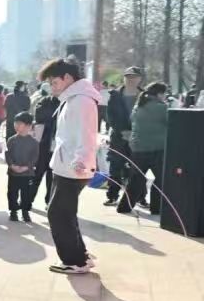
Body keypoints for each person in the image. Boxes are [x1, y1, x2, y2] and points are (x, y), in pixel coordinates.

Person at [39, 57, 99, 275]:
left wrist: (81, 160)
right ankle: (80, 256)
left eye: (54, 82)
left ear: (67, 78)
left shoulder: (81, 100)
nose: (53, 88)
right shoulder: (74, 98)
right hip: (67, 164)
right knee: (65, 212)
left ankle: (75, 261)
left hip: (74, 167)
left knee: (57, 214)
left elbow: (87, 134)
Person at [118, 81, 168, 215]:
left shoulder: (138, 106)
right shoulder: (162, 108)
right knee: (160, 180)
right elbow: (172, 123)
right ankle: (156, 208)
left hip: (138, 149)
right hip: (157, 148)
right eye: (164, 94)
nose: (165, 96)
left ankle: (124, 207)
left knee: (136, 179)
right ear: (159, 94)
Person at [103, 67, 143, 207]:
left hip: (138, 138)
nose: (131, 80)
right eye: (128, 77)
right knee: (115, 167)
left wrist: (134, 132)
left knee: (138, 168)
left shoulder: (145, 96)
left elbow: (147, 118)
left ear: (140, 79)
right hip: (118, 137)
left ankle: (140, 197)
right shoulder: (115, 95)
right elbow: (110, 116)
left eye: (134, 77)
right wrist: (122, 132)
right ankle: (112, 195)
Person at [5, 113, 39, 223]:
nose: (16, 125)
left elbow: (35, 157)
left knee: (26, 194)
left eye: (20, 123)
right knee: (12, 193)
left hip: (27, 173)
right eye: (15, 123)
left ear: (29, 126)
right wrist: (12, 165)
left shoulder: (34, 142)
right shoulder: (11, 140)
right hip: (13, 173)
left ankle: (25, 212)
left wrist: (27, 167)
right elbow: (7, 155)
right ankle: (13, 212)